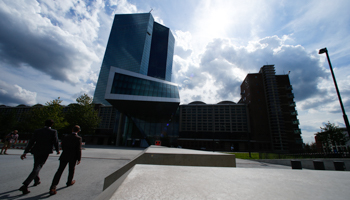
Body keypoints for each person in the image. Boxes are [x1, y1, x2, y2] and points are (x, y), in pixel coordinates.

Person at [19, 119, 60, 195]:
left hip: (36, 150)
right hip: (45, 151)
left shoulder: (37, 131)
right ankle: (26, 184)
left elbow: (31, 141)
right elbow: (55, 141)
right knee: (38, 166)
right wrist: (57, 150)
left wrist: (25, 152)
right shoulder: (53, 132)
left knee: (36, 165)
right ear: (52, 125)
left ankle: (36, 180)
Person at [49, 125, 82, 195]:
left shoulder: (66, 137)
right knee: (71, 169)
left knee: (59, 171)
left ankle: (53, 186)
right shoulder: (78, 138)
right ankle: (69, 182)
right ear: (78, 131)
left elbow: (62, 145)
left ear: (72, 129)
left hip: (64, 155)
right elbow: (78, 149)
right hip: (73, 157)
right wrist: (79, 158)